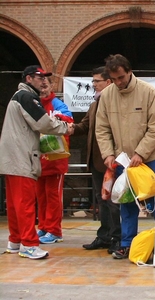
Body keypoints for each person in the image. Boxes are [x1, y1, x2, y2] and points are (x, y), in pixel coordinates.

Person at [95, 54, 155, 259]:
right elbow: (101, 128)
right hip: (123, 161)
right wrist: (108, 154)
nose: (119, 82)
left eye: (121, 77)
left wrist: (141, 153)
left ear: (129, 71)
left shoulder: (148, 92)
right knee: (126, 203)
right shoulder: (107, 95)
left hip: (150, 159)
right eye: (114, 78)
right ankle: (127, 243)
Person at [0, 65, 74, 259]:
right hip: (22, 156)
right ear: (28, 79)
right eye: (39, 77)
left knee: (15, 203)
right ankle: (29, 244)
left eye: (45, 78)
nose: (43, 81)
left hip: (11, 157)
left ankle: (15, 241)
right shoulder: (26, 97)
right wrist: (65, 128)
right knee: (25, 203)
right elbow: (43, 123)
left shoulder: (18, 97)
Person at [73, 66, 122, 254]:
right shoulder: (94, 104)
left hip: (111, 161)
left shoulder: (115, 103)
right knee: (101, 201)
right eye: (92, 81)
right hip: (95, 161)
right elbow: (85, 125)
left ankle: (117, 238)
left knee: (114, 201)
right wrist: (69, 129)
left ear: (108, 82)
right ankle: (104, 236)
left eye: (96, 81)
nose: (93, 84)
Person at [36, 76, 74, 244]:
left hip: (55, 161)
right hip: (38, 162)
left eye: (46, 85)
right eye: (40, 85)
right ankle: (43, 227)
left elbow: (68, 119)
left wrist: (54, 118)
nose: (43, 88)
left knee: (53, 197)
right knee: (41, 197)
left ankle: (55, 230)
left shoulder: (58, 104)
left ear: (52, 86)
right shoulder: (34, 104)